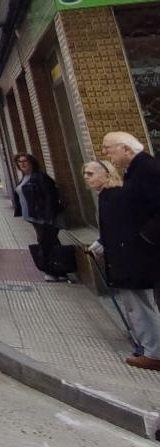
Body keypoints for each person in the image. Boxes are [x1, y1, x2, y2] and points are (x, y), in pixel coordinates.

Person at [84, 156, 160, 370]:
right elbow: (111, 231)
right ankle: (147, 346)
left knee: (139, 307)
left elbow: (125, 230)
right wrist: (98, 246)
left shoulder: (116, 196)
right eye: (85, 174)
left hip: (130, 262)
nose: (86, 178)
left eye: (91, 173)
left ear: (107, 174)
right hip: (127, 260)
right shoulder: (106, 196)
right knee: (137, 306)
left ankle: (154, 353)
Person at [102, 131, 160, 350]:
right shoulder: (134, 171)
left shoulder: (148, 169)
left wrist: (146, 237)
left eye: (108, 148)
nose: (105, 153)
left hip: (150, 249)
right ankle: (153, 353)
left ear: (126, 149)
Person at [11, 153, 68, 281]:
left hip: (43, 217)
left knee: (46, 242)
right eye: (19, 162)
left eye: (25, 161)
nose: (22, 164)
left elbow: (50, 197)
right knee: (49, 242)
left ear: (32, 162)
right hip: (33, 218)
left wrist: (48, 216)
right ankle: (59, 270)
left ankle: (53, 271)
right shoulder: (25, 177)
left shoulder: (40, 177)